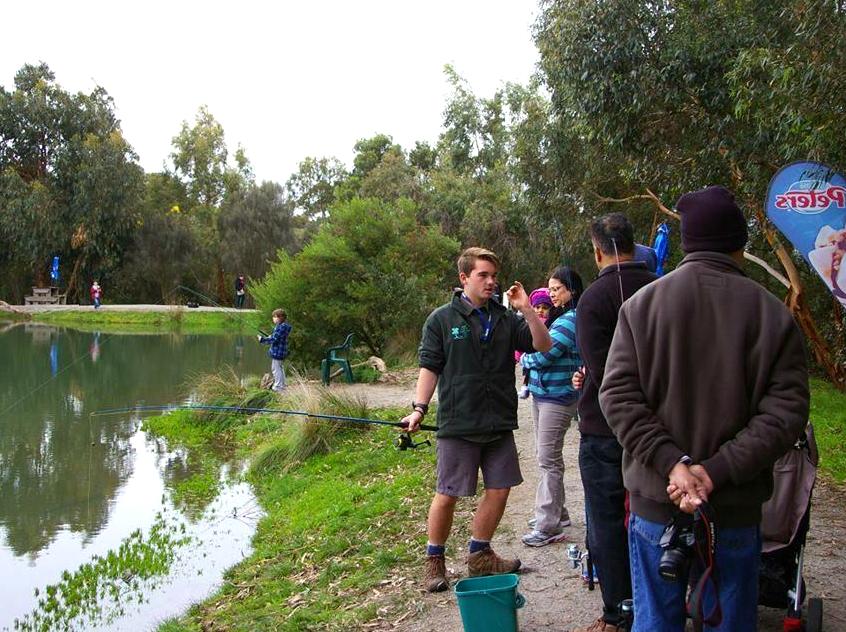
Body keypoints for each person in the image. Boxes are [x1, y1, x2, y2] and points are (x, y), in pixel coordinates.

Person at [599, 186, 809, 631]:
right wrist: (714, 472)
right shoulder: (772, 315)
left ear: (688, 242)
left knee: (655, 621)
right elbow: (786, 412)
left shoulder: (641, 308)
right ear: (740, 244)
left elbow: (616, 396)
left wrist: (672, 465)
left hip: (657, 501)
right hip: (733, 508)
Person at [402, 247, 552, 593]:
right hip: (458, 422)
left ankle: (479, 553)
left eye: (493, 276)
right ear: (463, 278)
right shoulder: (441, 320)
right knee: (447, 493)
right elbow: (430, 367)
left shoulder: (505, 318)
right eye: (483, 275)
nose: (490, 282)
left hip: (498, 421)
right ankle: (434, 560)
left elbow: (543, 345)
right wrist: (419, 408)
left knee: (500, 489)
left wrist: (527, 310)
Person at [571, 214, 657, 632]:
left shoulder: (593, 299)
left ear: (597, 250)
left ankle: (617, 613)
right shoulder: (661, 289)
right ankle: (661, 604)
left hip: (606, 429)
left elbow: (602, 371)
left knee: (606, 520)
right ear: (633, 243)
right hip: (661, 428)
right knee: (659, 517)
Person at [519, 266, 583, 547]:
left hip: (558, 397)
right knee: (545, 455)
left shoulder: (570, 320)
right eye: (551, 288)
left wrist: (523, 361)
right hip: (542, 394)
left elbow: (542, 355)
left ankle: (548, 525)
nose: (552, 294)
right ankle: (559, 512)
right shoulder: (560, 317)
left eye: (557, 289)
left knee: (548, 459)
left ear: (572, 290)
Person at [517, 287, 554, 399]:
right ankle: (525, 385)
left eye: (545, 307)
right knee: (528, 370)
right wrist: (518, 355)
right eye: (537, 307)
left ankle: (526, 386)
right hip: (529, 352)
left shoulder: (550, 323)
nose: (540, 310)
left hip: (539, 354)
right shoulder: (529, 322)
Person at [257, 308, 292, 392]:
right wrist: (270, 336)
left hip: (278, 352)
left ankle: (278, 387)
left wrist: (262, 339)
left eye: (274, 317)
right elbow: (276, 337)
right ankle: (282, 385)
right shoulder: (282, 327)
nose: (273, 319)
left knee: (276, 369)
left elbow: (274, 340)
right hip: (281, 351)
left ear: (279, 318)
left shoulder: (280, 328)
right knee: (280, 368)